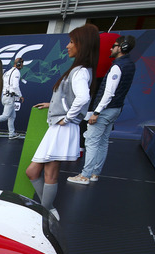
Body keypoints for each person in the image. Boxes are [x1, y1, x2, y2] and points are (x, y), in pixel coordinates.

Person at [25, 24, 100, 220]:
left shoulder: (80, 71)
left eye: (72, 42)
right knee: (34, 172)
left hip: (63, 127)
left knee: (48, 174)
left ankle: (46, 212)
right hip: (60, 127)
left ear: (82, 45)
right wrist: (53, 105)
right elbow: (71, 97)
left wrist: (66, 117)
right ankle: (47, 209)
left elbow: (83, 98)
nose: (67, 46)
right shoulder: (79, 70)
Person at [68, 35, 137, 185]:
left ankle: (85, 175)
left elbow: (109, 93)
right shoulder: (130, 64)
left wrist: (96, 112)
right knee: (102, 142)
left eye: (114, 46)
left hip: (105, 110)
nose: (111, 48)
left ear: (122, 48)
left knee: (92, 142)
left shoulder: (117, 66)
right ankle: (94, 174)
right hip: (115, 109)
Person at [0, 57, 25, 139]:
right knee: (5, 116)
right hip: (9, 97)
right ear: (19, 64)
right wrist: (20, 96)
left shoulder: (7, 72)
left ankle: (11, 134)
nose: (23, 65)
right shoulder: (16, 72)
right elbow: (15, 86)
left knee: (12, 116)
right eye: (22, 63)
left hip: (5, 96)